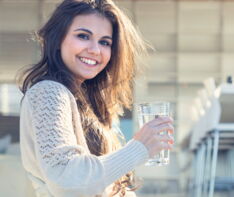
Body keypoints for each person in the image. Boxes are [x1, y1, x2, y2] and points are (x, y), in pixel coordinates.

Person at [17, 0, 174, 196]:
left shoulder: (87, 104)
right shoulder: (49, 92)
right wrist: (139, 148)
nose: (95, 50)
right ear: (57, 39)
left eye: (105, 42)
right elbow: (67, 181)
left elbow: (95, 184)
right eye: (83, 36)